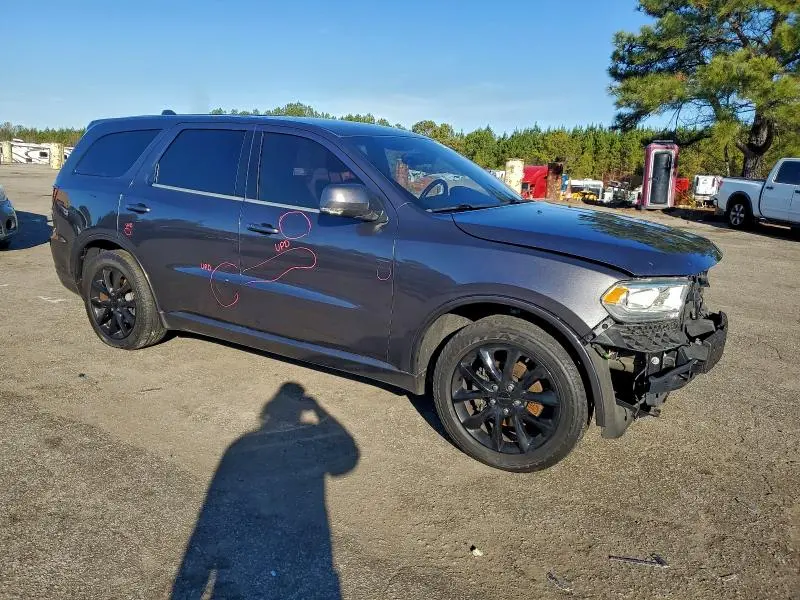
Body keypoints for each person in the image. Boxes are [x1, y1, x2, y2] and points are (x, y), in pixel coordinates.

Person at [172, 383, 359, 599]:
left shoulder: (243, 445)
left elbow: (212, 512)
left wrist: (187, 589)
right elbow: (348, 456)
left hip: (251, 565)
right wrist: (319, 410)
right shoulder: (307, 440)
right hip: (296, 560)